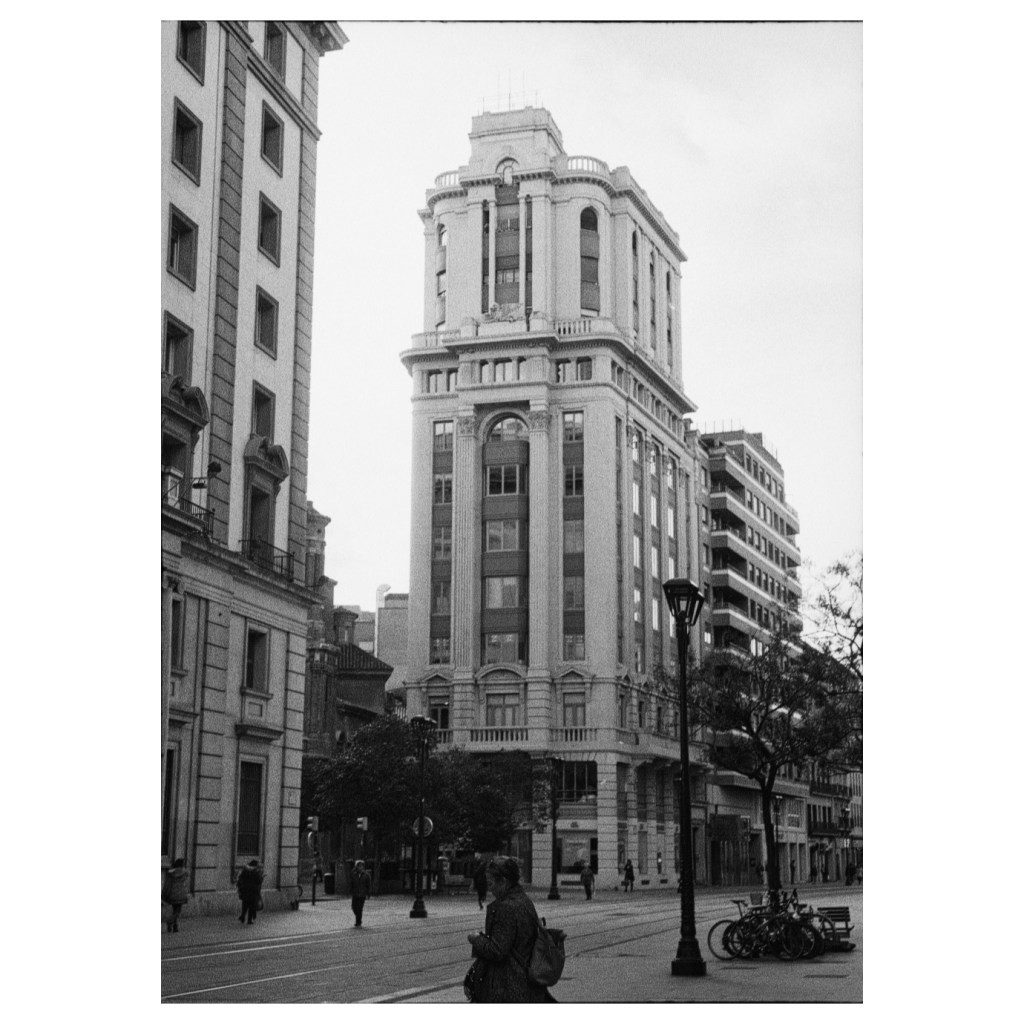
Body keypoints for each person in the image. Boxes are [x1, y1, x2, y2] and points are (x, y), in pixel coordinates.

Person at [466, 857, 554, 1003]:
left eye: (491, 883)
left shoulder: (506, 907)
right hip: (525, 982)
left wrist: (476, 939)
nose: (490, 889)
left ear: (504, 881)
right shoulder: (523, 900)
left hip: (508, 985)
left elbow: (497, 951)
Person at [162, 857, 189, 933]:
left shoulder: (170, 873)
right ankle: (170, 922)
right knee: (178, 911)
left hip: (172, 895)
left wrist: (164, 894)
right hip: (180, 895)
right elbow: (186, 881)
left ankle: (175, 927)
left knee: (174, 910)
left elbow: (167, 884)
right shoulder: (184, 872)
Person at [236, 859, 264, 924]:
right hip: (253, 891)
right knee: (252, 906)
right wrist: (262, 877)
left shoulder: (245, 870)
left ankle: (243, 916)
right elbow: (259, 880)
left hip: (245, 890)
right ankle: (249, 920)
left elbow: (240, 878)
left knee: (245, 904)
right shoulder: (256, 871)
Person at [351, 860, 372, 927]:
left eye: (361, 866)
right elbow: (351, 883)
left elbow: (368, 885)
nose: (360, 868)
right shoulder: (354, 874)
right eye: (359, 866)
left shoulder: (366, 875)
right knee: (354, 907)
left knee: (359, 908)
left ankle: (358, 922)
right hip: (355, 894)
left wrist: (368, 894)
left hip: (362, 894)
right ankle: (358, 917)